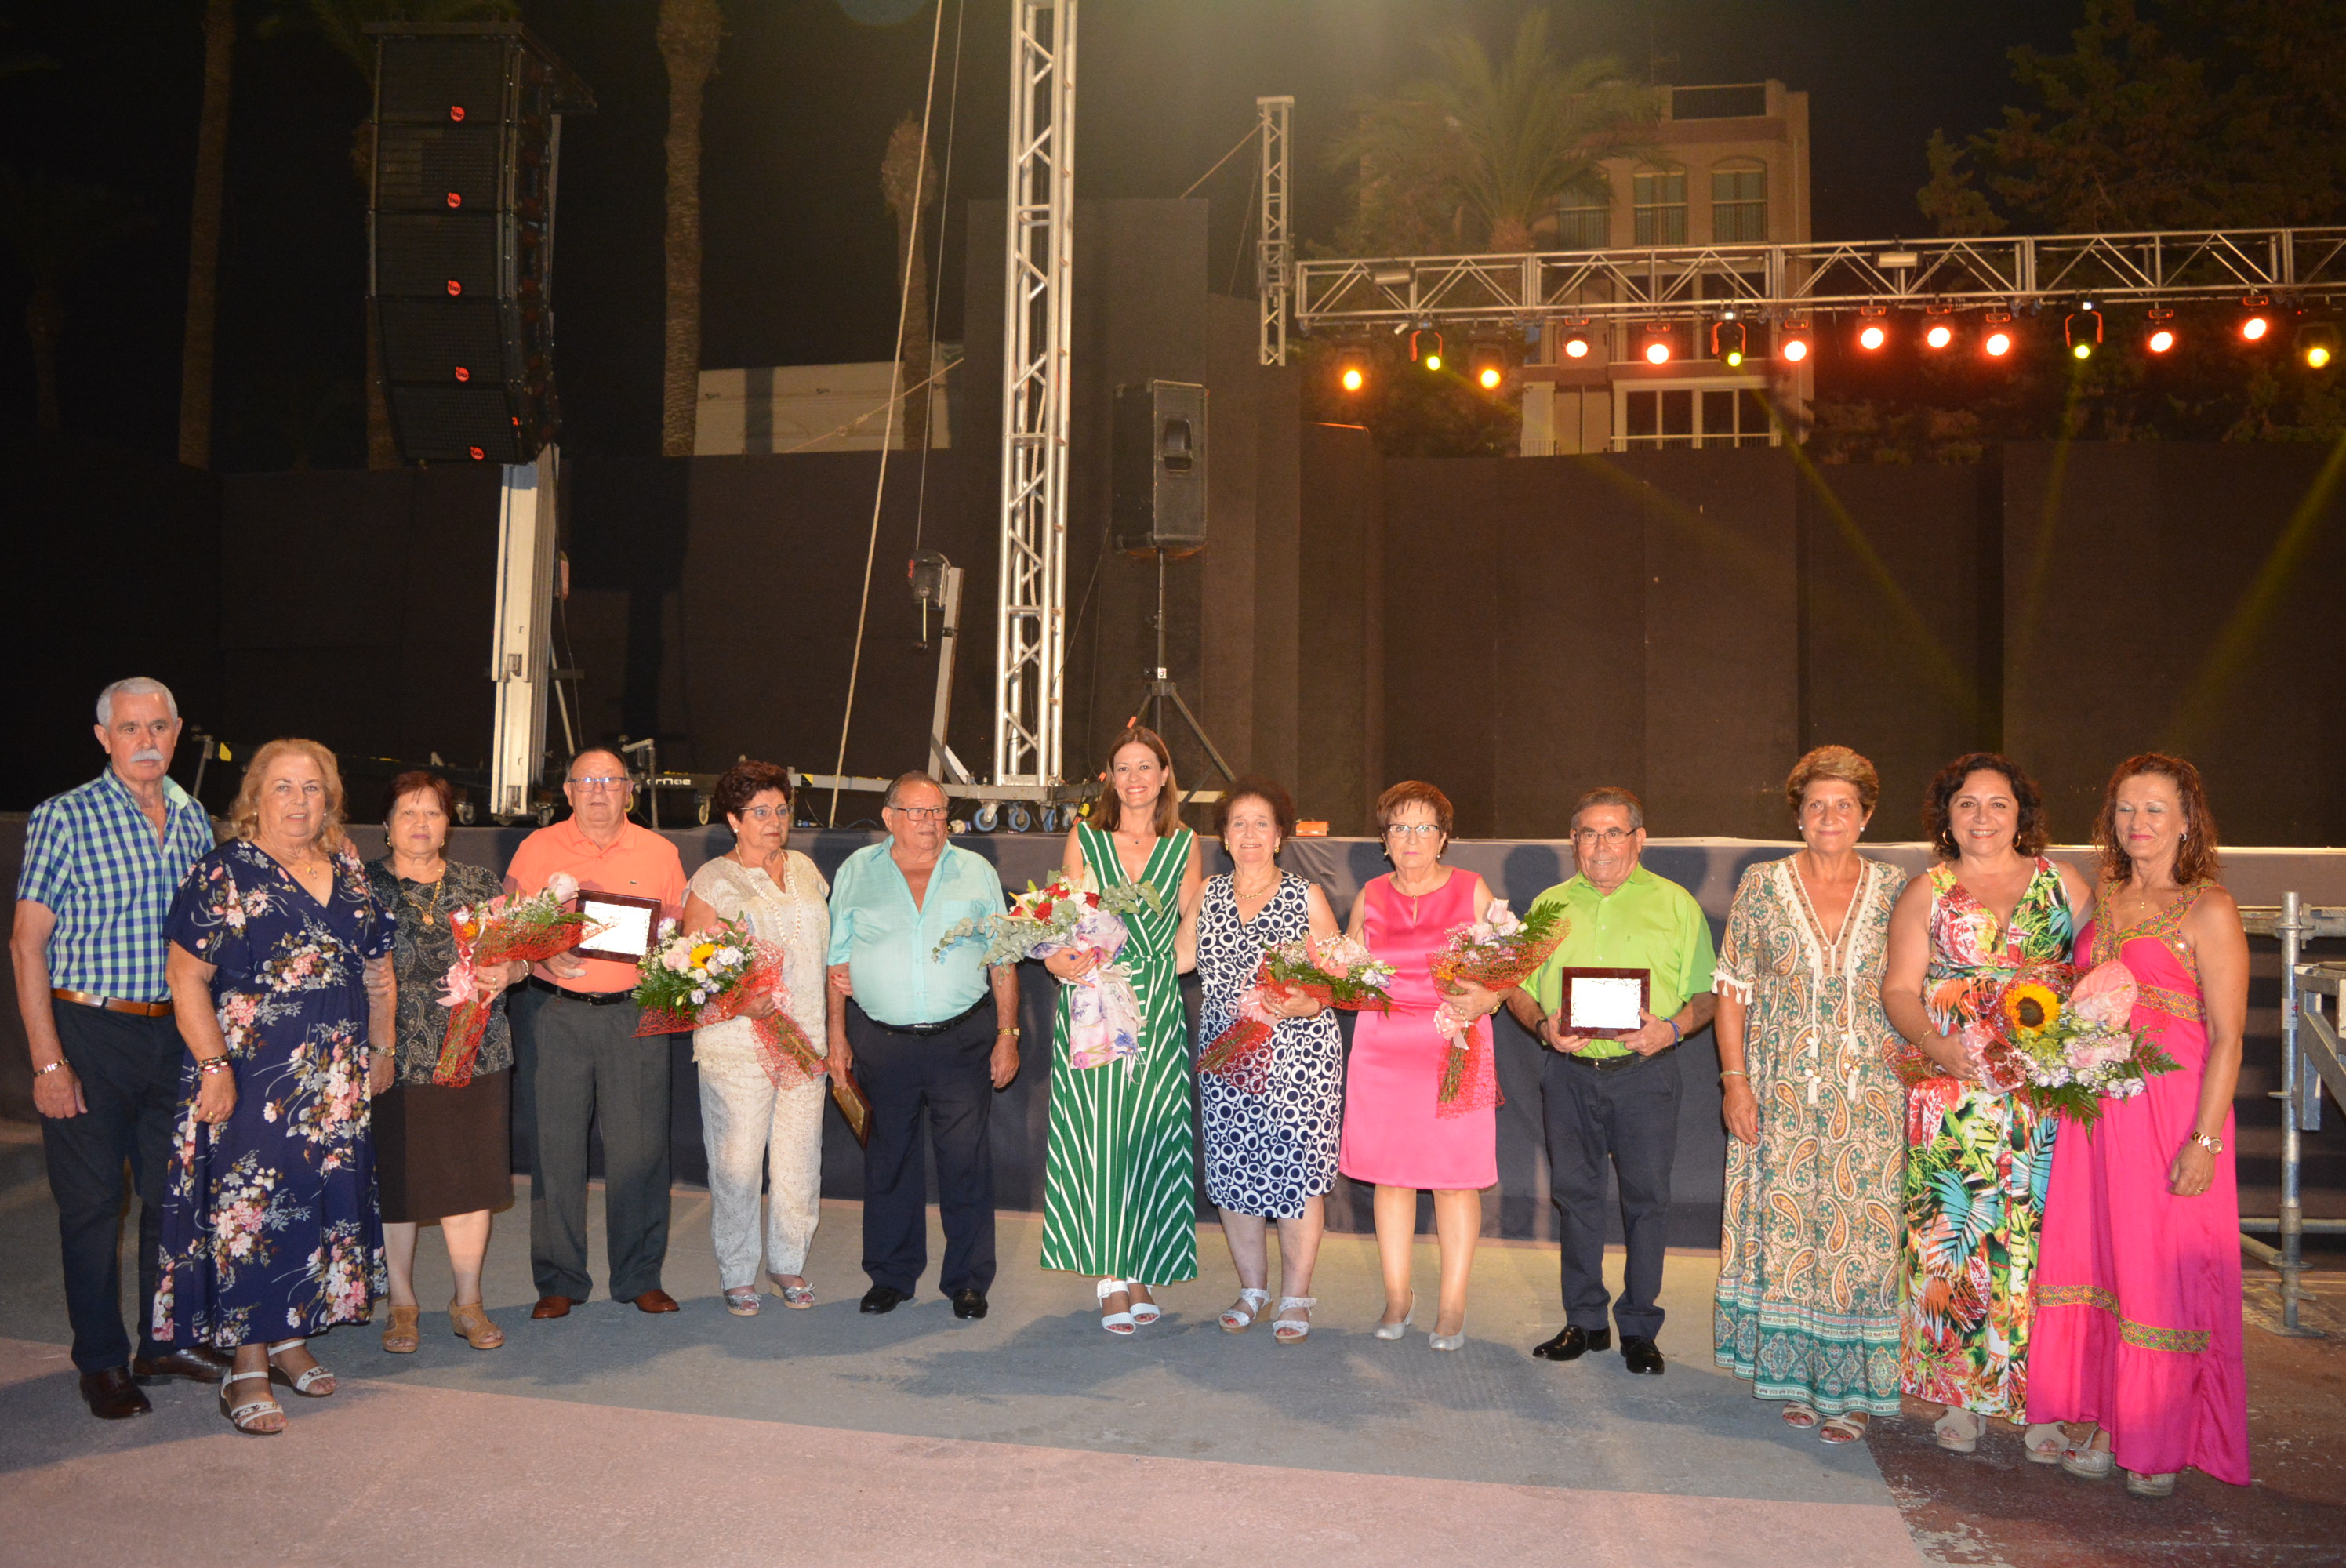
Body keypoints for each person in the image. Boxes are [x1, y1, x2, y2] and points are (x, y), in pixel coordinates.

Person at [156, 739, 397, 1434]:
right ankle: (247, 1366)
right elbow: (185, 979)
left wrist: (381, 1046)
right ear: (255, 797)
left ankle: (292, 1341)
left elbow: (378, 968)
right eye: (284, 787)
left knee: (313, 1204)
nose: (299, 801)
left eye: (313, 788)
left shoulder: (348, 869)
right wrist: (212, 1068)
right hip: (253, 1077)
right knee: (253, 1214)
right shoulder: (223, 872)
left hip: (337, 1080)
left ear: (331, 798)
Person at [2028, 754, 2250, 1497]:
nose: (2138, 824)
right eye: (2125, 809)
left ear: (2187, 820)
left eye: (2155, 809)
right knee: (2100, 1267)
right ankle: (2099, 1415)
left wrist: (2206, 1140)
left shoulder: (2207, 907)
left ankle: (2155, 1436)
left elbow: (2228, 1037)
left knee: (2163, 1274)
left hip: (2170, 1119)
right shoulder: (2105, 900)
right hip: (2098, 1122)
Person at [11, 677, 229, 1419]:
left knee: (172, 1201)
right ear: (104, 737)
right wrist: (48, 1061)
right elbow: (26, 945)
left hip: (173, 1031)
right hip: (90, 1032)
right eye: (130, 728)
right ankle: (100, 1360)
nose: (146, 741)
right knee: (94, 1205)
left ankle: (160, 1342)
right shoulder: (63, 818)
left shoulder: (197, 819)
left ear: (176, 731)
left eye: (159, 727)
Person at [1880, 753, 2093, 1458]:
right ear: (1947, 816)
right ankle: (1960, 1394)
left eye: (1997, 804)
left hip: (2044, 1096)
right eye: (1966, 804)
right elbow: (1899, 990)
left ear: (2021, 814)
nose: (1982, 817)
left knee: (2042, 1246)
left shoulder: (2065, 885)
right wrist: (1936, 1048)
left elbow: (2101, 974)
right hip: (1955, 1096)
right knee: (1957, 1237)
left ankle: (2045, 1404)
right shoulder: (1927, 891)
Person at [1711, 747, 1909, 1440]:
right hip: (1780, 1087)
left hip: (1873, 1094)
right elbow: (1732, 990)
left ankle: (1853, 1390)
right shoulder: (1763, 884)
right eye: (1817, 805)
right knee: (1790, 1228)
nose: (1830, 817)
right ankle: (1796, 1375)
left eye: (1845, 806)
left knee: (1865, 1237)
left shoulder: (1895, 887)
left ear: (1867, 816)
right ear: (1798, 815)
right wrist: (1735, 1082)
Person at [1501, 786, 1718, 1377]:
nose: (1600, 845)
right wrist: (1544, 1025)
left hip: (1646, 1076)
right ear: (1573, 842)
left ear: (1639, 839)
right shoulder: (1548, 905)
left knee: (1647, 1202)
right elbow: (1513, 986)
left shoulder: (1677, 906)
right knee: (1576, 1199)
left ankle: (1641, 1328)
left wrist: (1670, 1030)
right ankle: (1586, 1321)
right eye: (1588, 834)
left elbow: (1708, 995)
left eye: (1613, 832)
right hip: (1568, 1075)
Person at [826, 771, 1020, 1319]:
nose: (929, 822)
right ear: (889, 817)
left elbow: (1003, 958)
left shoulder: (976, 872)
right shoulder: (856, 873)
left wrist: (1008, 1035)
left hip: (962, 1041)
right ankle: (890, 1277)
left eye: (938, 811)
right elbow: (835, 961)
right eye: (916, 811)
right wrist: (836, 1038)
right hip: (880, 1042)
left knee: (965, 1164)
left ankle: (967, 1281)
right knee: (888, 1163)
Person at [506, 748, 689, 1319]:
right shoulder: (536, 849)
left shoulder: (661, 853)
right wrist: (542, 953)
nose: (599, 791)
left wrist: (668, 957)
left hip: (633, 1015)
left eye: (611, 781)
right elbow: (507, 932)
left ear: (629, 789)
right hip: (554, 1014)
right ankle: (559, 1279)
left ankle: (639, 1277)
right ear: (567, 791)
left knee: (640, 1152)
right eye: (587, 781)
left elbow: (677, 935)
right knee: (556, 1149)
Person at [1040, 727, 1204, 1333]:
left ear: (1165, 776)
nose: (1135, 778)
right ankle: (1110, 1275)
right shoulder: (1085, 837)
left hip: (1157, 1003)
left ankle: (1141, 1267)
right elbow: (1062, 917)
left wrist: (1173, 971)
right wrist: (1060, 960)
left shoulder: (1185, 843)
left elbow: (1189, 929)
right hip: (1095, 1002)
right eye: (1123, 768)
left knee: (1150, 1135)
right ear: (1110, 777)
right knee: (1103, 1135)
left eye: (1146, 767)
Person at [1176, 777, 1342, 1344]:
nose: (1250, 833)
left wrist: (1302, 1000)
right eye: (1238, 823)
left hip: (1299, 1052)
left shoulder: (1306, 895)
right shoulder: (1209, 894)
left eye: (1262, 824)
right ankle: (1252, 1290)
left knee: (1296, 1174)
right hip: (1227, 1050)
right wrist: (1097, 945)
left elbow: (1337, 977)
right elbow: (1175, 959)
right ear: (1224, 835)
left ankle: (1296, 1297)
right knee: (1234, 1169)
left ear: (1280, 837)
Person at [1337, 780, 1498, 1352]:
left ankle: (1452, 1306)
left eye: (1424, 827)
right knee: (1392, 1176)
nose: (1411, 838)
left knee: (1455, 1182)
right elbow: (1343, 968)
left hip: (1453, 1043)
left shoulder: (1473, 890)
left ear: (1444, 838)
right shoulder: (1371, 895)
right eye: (1399, 827)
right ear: (1384, 840)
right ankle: (1398, 1296)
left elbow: (1505, 969)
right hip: (1383, 1051)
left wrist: (1488, 999)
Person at [365, 771, 521, 1354]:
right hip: (393, 1060)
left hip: (473, 1055)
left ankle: (468, 1302)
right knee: (397, 1184)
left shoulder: (479, 883)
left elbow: (519, 959)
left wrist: (510, 972)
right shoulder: (362, 887)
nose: (421, 824)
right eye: (408, 813)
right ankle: (402, 1305)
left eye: (433, 813)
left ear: (448, 824)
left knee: (467, 1182)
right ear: (386, 825)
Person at [680, 761, 830, 1316]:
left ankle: (788, 1263)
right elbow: (686, 973)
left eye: (781, 810)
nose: (774, 821)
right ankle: (738, 1271)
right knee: (738, 1164)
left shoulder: (809, 870)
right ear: (733, 820)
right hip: (737, 1041)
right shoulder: (712, 881)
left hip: (804, 1039)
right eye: (760, 812)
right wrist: (739, 1001)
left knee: (799, 1162)